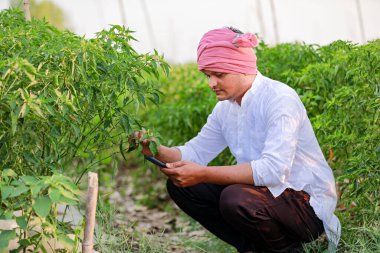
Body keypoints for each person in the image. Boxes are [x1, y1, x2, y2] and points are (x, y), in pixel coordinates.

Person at [133, 27, 341, 253]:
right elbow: (195, 152)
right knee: (183, 187)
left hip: (307, 206)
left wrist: (202, 173)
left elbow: (273, 171)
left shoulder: (280, 99)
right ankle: (253, 248)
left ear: (242, 68)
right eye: (208, 75)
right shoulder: (225, 108)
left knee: (235, 198)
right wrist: (156, 149)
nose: (211, 83)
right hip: (265, 198)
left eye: (219, 75)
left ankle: (289, 250)